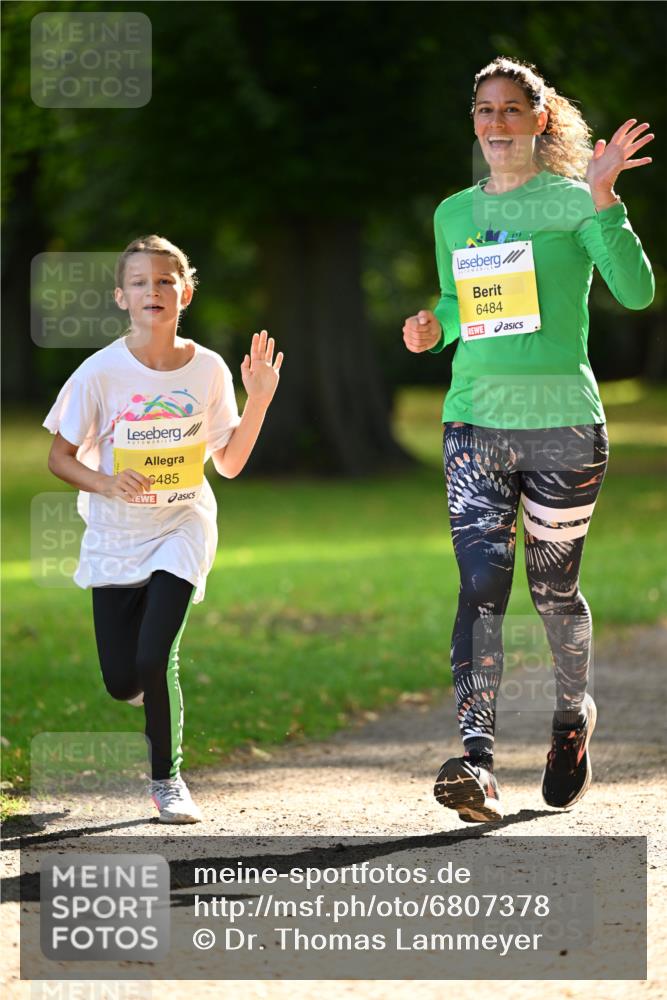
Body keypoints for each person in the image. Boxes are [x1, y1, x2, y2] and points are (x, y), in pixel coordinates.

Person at [403, 57, 654, 824]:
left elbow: (637, 291)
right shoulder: (454, 213)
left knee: (551, 593)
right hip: (474, 420)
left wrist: (604, 199)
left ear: (539, 120)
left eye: (511, 108)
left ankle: (571, 718)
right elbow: (459, 301)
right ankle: (475, 763)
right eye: (484, 109)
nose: (496, 122)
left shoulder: (575, 199)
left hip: (562, 425)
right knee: (480, 586)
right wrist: (433, 326)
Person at [44, 235, 283, 823]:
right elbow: (59, 457)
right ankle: (145, 691)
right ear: (121, 297)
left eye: (164, 281)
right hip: (116, 535)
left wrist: (257, 401)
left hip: (182, 525)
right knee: (121, 680)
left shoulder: (208, 369)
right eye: (140, 283)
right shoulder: (100, 372)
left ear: (186, 292)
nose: (153, 291)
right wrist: (105, 483)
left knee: (156, 657)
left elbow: (228, 464)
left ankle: (167, 781)